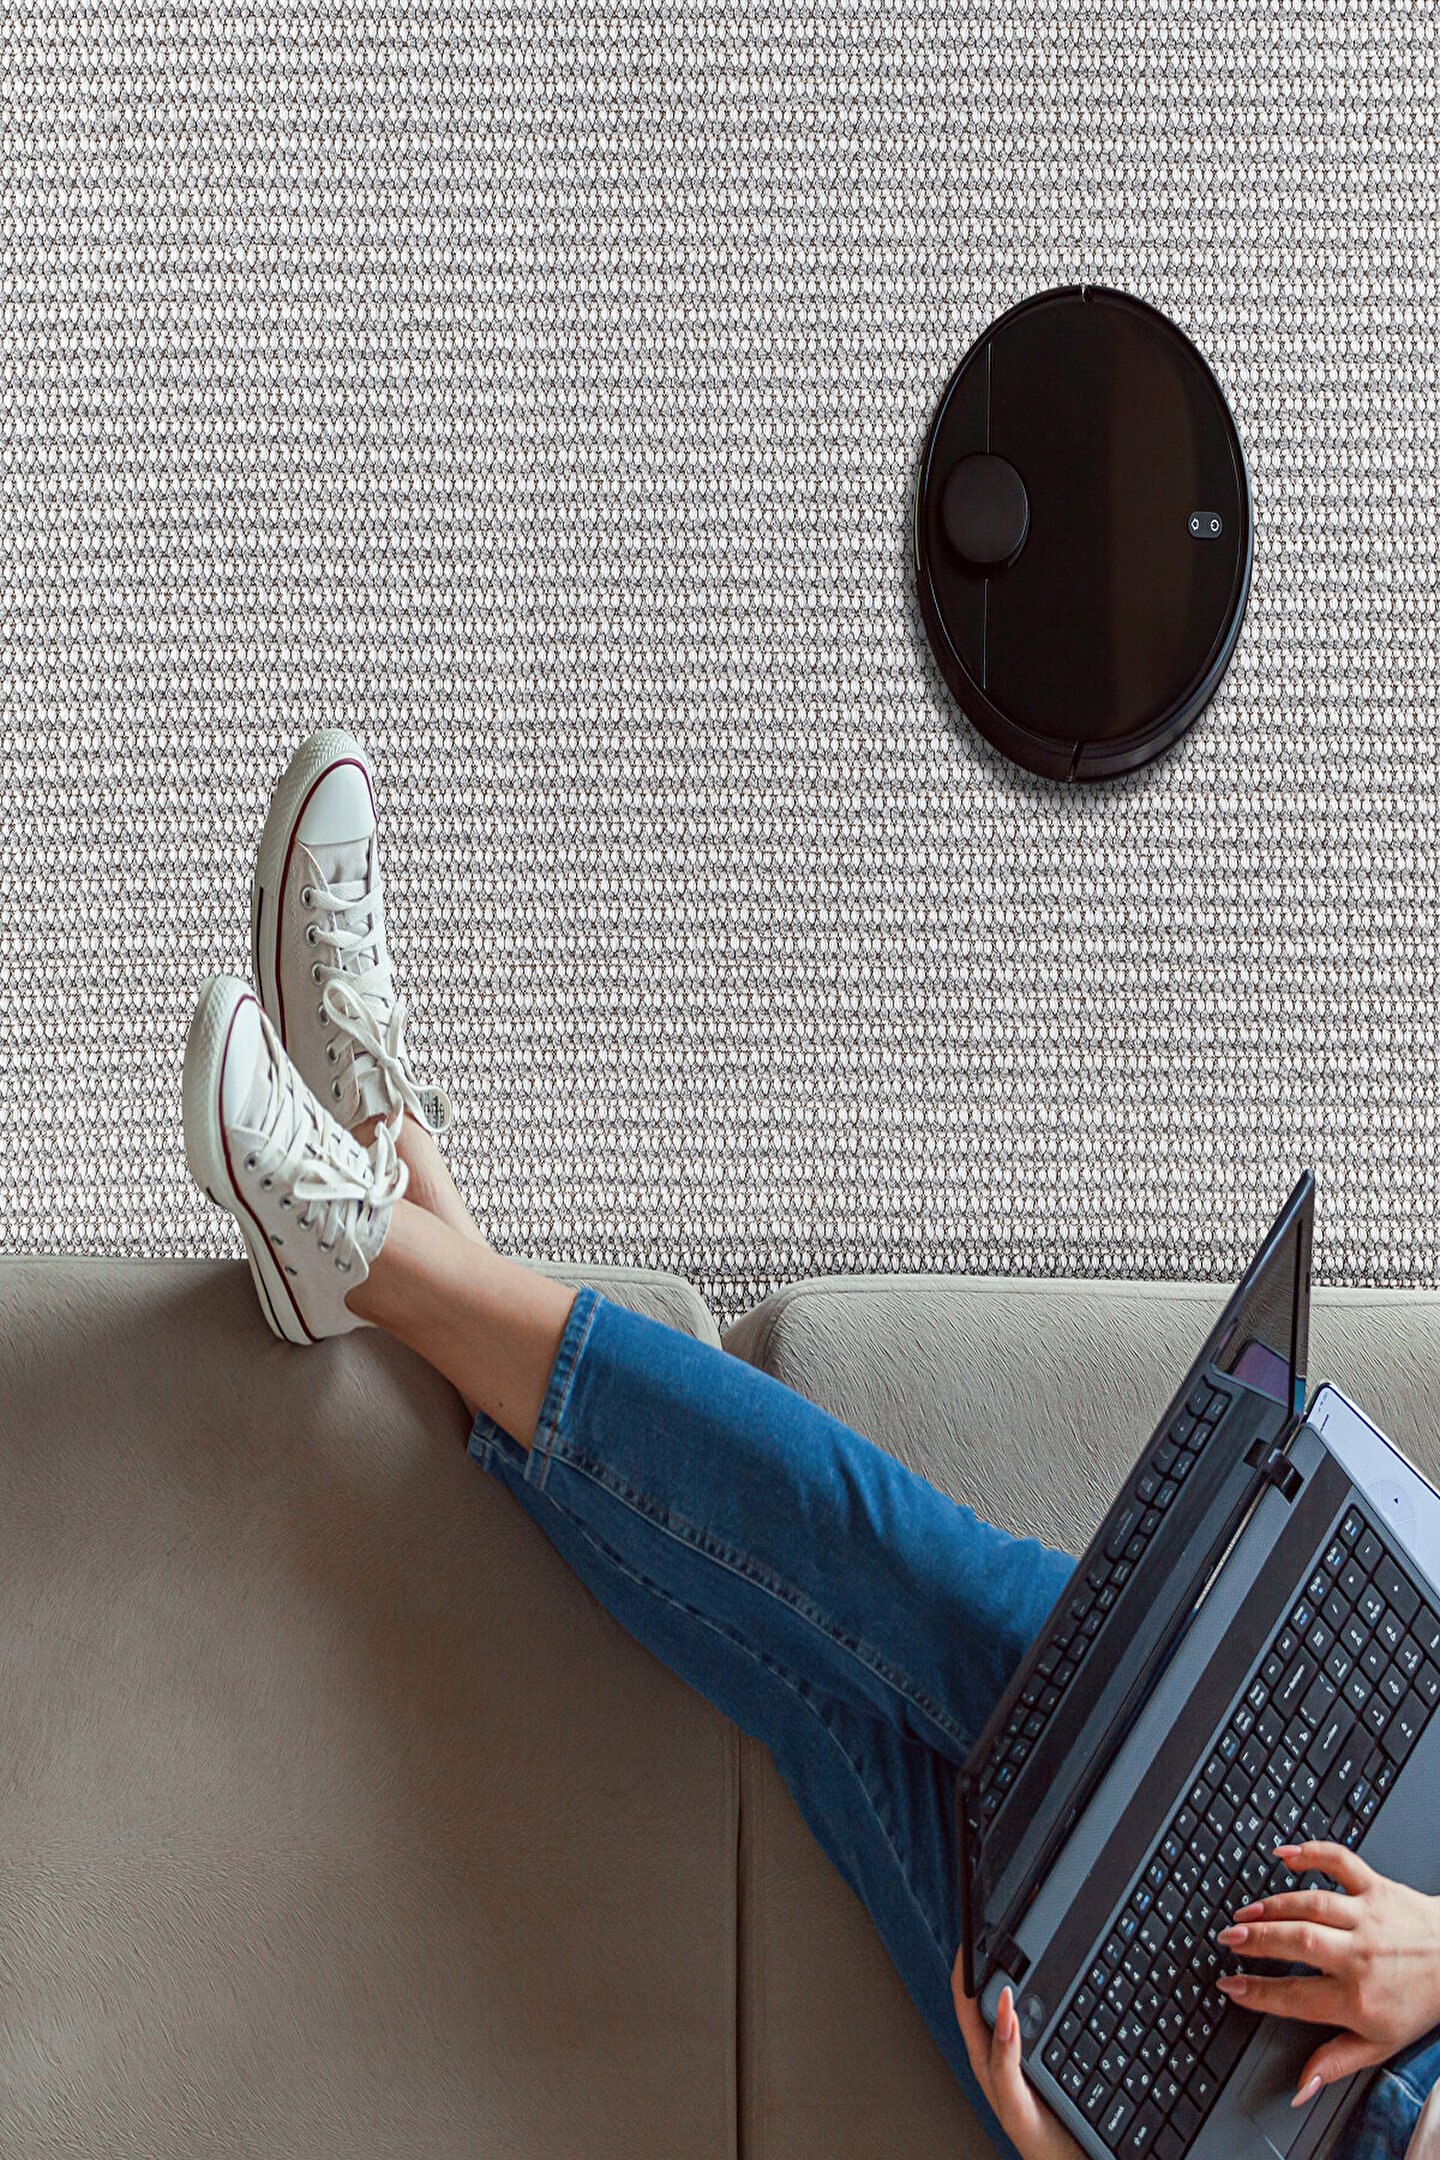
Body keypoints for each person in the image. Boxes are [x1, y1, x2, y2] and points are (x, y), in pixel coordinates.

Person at [182, 728, 1440, 2160]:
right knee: (870, 1558)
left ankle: (379, 1212)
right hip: (1390, 1860)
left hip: (1215, 2127)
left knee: (820, 1659)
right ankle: (382, 1213)